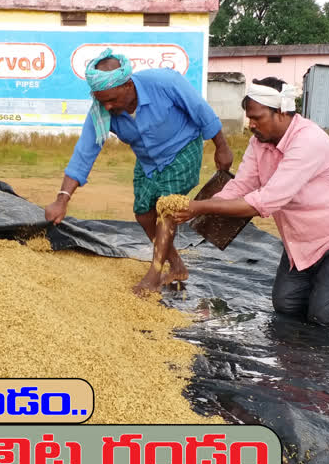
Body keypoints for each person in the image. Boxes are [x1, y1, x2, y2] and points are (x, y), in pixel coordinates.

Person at [172, 77, 329, 324]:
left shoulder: (308, 141)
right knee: (286, 305)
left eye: (257, 118)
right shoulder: (259, 143)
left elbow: (265, 201)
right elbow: (242, 185)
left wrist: (198, 207)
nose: (251, 125)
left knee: (326, 314)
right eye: (249, 118)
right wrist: (206, 206)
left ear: (281, 112)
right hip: (301, 239)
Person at [44, 48, 233, 295]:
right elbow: (83, 154)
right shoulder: (101, 111)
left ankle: (154, 274)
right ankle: (176, 265)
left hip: (183, 148)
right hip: (148, 160)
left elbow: (201, 111)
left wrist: (222, 146)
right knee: (143, 214)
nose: (108, 107)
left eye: (112, 100)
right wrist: (62, 200)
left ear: (128, 85)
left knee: (167, 207)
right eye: (102, 101)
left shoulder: (165, 82)